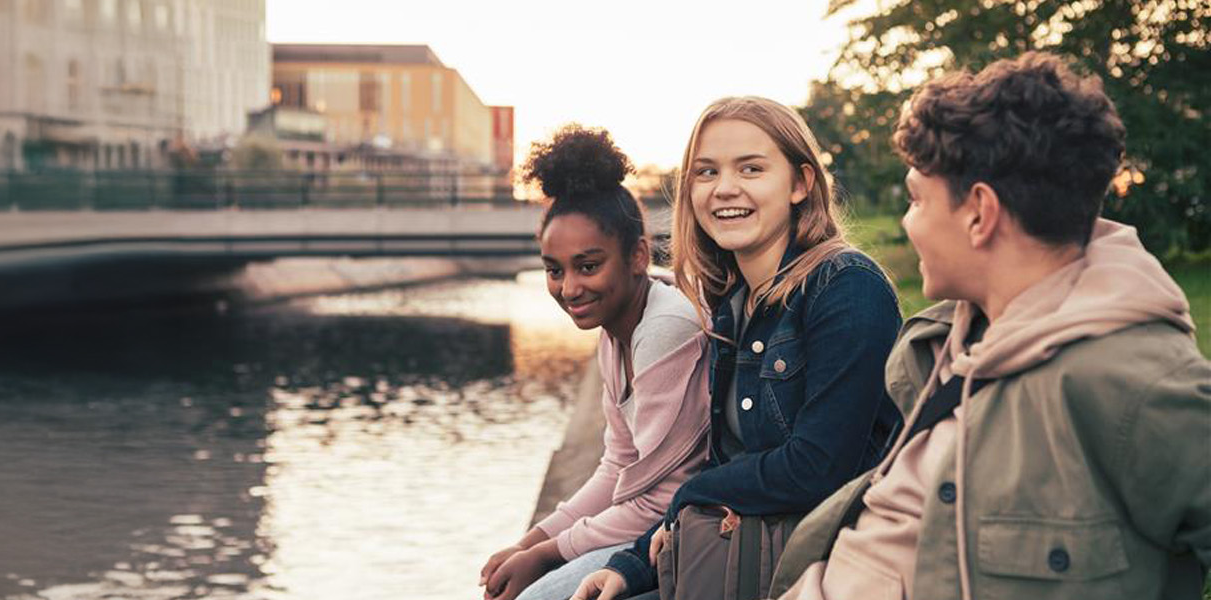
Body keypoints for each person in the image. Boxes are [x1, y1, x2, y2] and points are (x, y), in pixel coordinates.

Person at [764, 52, 1211, 600]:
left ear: (979, 213)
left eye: (916, 199)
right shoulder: (943, 341)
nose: (906, 221)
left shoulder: (1135, 381)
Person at [575, 97, 905, 600]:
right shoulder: (732, 306)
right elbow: (729, 463)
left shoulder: (847, 288)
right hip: (744, 554)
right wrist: (633, 564)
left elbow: (818, 468)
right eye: (706, 172)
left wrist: (692, 494)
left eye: (751, 168)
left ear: (800, 184)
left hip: (825, 571)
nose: (725, 188)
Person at [479, 125, 714, 600]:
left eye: (588, 266)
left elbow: (661, 497)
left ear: (638, 256)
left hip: (695, 526)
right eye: (554, 270)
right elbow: (618, 467)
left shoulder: (665, 327)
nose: (569, 288)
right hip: (660, 521)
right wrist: (529, 542)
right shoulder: (615, 332)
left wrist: (546, 555)